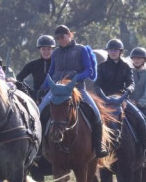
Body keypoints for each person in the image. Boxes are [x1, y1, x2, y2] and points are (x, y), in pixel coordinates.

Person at [39, 25, 108, 158]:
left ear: (69, 35)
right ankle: (41, 147)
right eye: (58, 38)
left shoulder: (81, 50)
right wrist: (43, 86)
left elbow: (89, 71)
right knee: (40, 110)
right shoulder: (56, 53)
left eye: (62, 37)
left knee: (95, 113)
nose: (60, 40)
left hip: (77, 88)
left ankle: (99, 145)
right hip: (57, 90)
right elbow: (52, 71)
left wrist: (76, 77)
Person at [94, 39, 146, 161]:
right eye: (111, 50)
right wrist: (102, 96)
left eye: (116, 50)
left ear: (120, 51)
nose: (113, 52)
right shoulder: (101, 67)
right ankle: (97, 147)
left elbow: (131, 83)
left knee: (140, 118)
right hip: (104, 100)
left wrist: (126, 93)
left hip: (121, 99)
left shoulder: (126, 66)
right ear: (108, 51)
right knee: (94, 118)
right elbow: (97, 85)